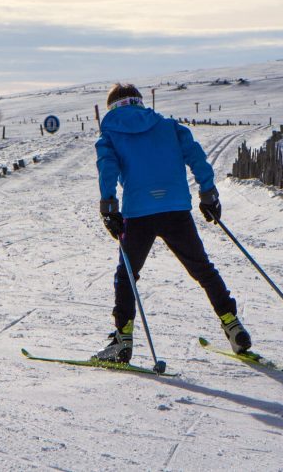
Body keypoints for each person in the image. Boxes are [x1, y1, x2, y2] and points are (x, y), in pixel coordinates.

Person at [93, 83, 250, 363]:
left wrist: (109, 207)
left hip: (138, 214)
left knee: (127, 275)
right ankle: (232, 323)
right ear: (139, 102)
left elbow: (108, 169)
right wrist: (208, 193)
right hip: (176, 210)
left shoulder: (110, 133)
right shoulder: (168, 126)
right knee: (203, 269)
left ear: (113, 108)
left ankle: (123, 339)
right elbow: (197, 157)